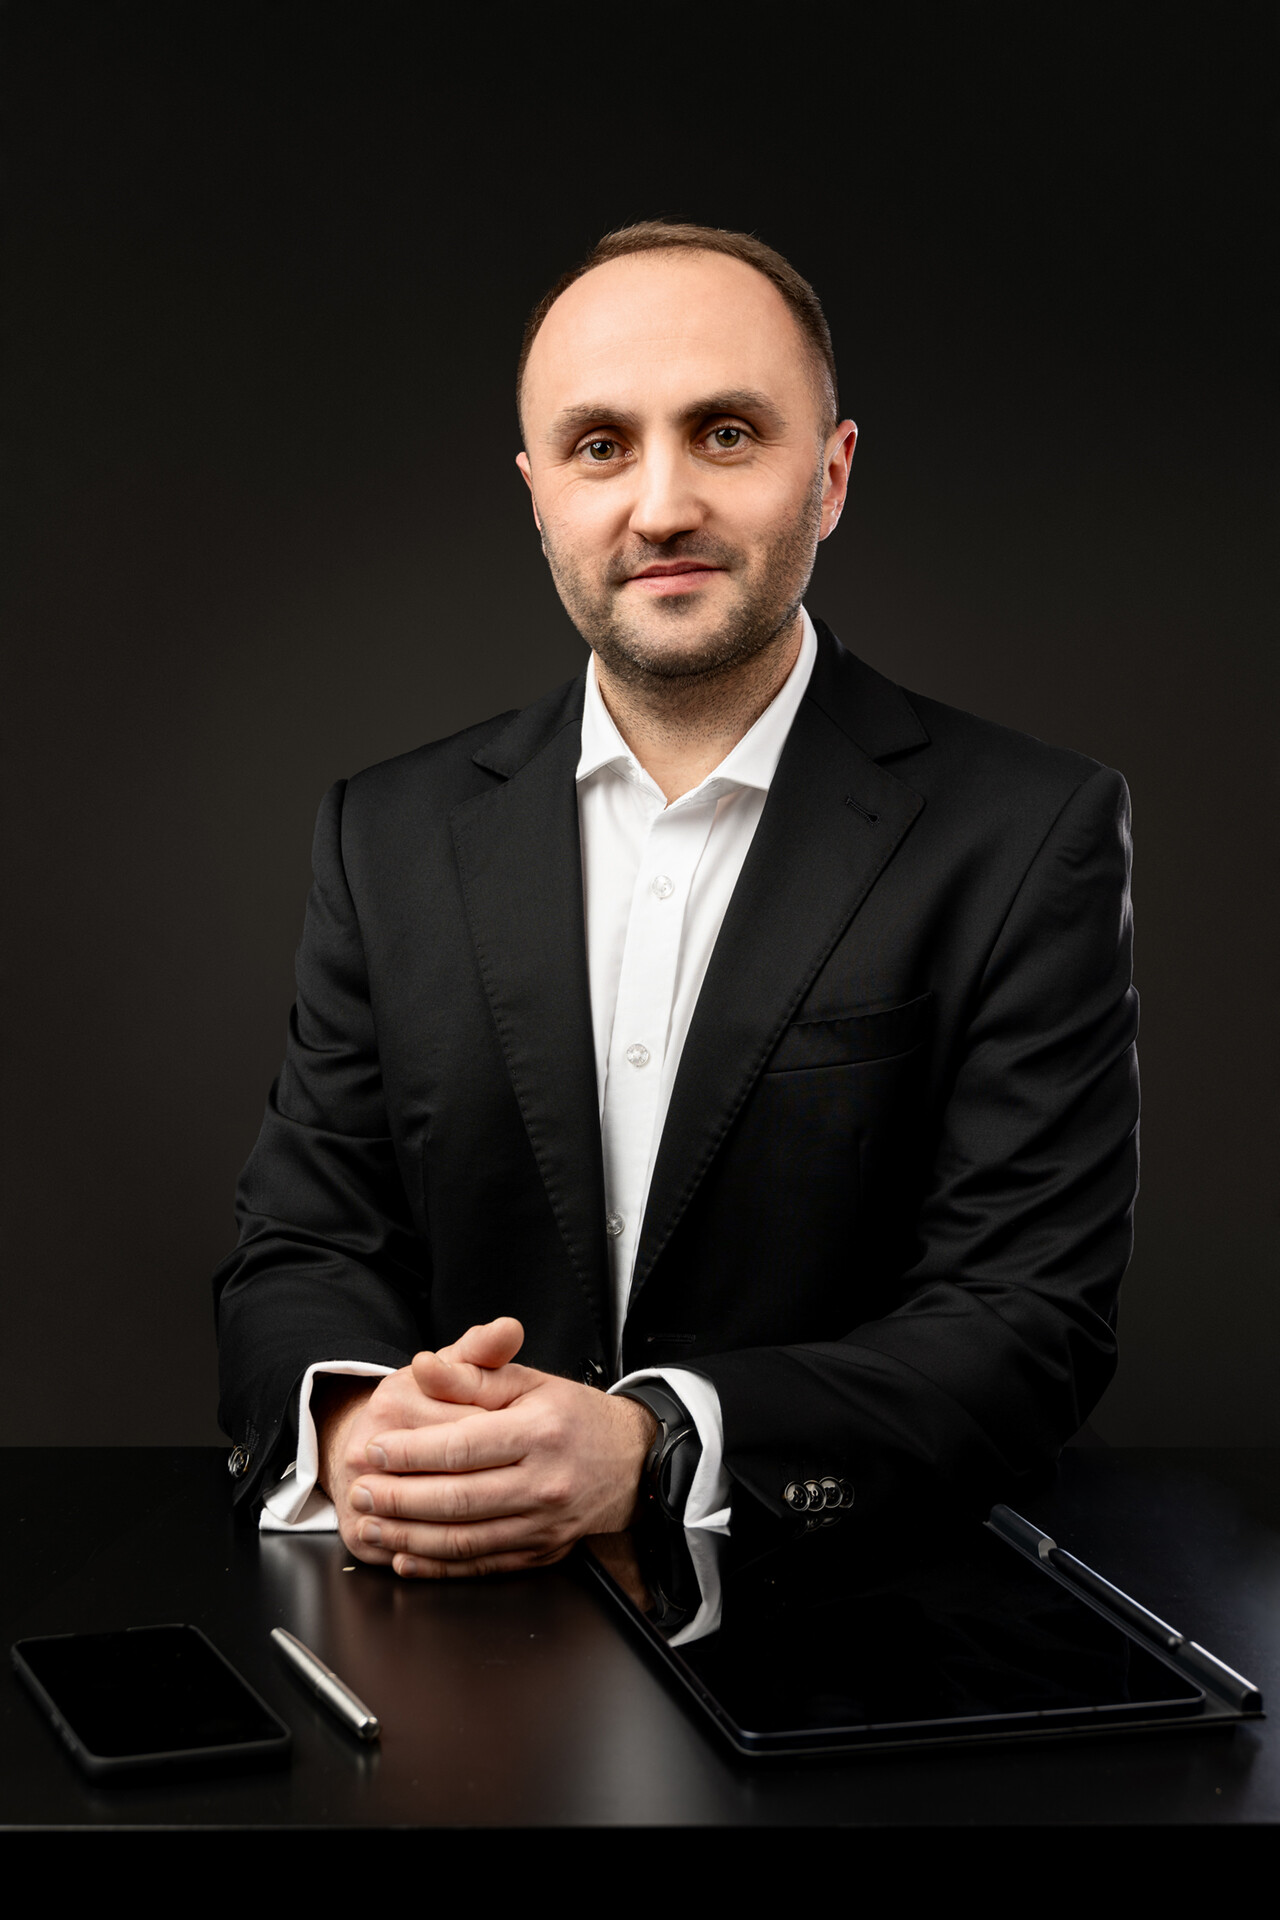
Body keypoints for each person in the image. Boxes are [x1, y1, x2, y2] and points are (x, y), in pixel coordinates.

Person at [214, 221, 1138, 1582]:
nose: (660, 508)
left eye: (726, 433)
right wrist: (355, 1428)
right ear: (538, 494)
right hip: (443, 1631)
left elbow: (1027, 1320)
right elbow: (304, 1243)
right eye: (600, 445)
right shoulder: (384, 834)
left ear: (831, 474)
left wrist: (657, 1447)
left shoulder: (1029, 832)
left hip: (850, 1638)